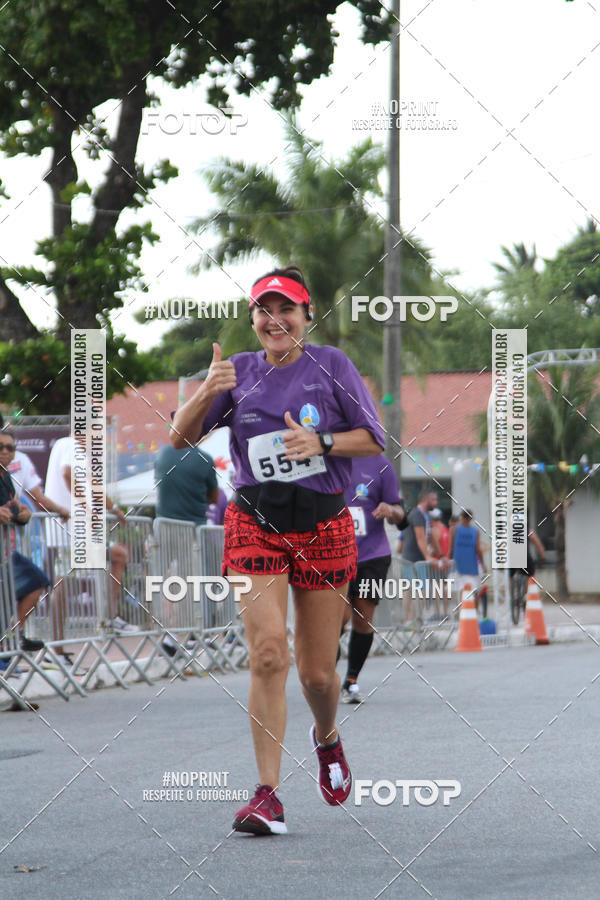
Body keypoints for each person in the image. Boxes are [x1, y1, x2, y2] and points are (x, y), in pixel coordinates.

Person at [172, 265, 385, 835]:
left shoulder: (332, 365)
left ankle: (328, 738)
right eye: (264, 311)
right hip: (255, 521)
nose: (275, 319)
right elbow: (179, 438)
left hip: (323, 526)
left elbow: (373, 440)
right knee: (268, 653)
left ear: (306, 317)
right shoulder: (236, 372)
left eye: (286, 309)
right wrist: (205, 392)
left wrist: (321, 441)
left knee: (317, 675)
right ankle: (266, 794)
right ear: (252, 321)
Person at [44, 435, 135, 662]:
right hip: (67, 534)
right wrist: (88, 509)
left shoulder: (81, 453)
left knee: (118, 556)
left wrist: (114, 509)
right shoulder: (70, 445)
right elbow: (67, 474)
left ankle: (111, 617)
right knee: (62, 586)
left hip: (79, 535)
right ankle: (55, 648)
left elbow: (93, 484)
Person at [340, 455, 405, 704]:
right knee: (338, 617)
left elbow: (400, 512)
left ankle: (351, 681)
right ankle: (322, 673)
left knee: (362, 619)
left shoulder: (381, 465)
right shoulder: (327, 456)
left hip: (373, 556)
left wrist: (391, 511)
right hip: (335, 554)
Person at [154, 443, 219, 656]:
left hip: (163, 527)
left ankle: (162, 633)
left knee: (158, 580)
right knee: (189, 584)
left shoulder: (163, 453)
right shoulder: (204, 459)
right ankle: (186, 634)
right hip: (192, 529)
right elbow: (215, 497)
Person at [0, 429, 51, 652]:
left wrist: (24, 514)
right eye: (0, 446)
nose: (5, 451)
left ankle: (13, 637)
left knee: (37, 581)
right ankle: (9, 642)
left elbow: (13, 509)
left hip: (7, 550)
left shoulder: (7, 478)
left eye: (10, 448)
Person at [449, 509, 487, 593]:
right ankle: (475, 606)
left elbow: (451, 549)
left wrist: (449, 562)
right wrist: (483, 564)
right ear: (471, 518)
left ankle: (463, 606)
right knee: (474, 590)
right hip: (472, 565)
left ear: (461, 517)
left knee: (461, 590)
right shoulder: (475, 531)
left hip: (458, 565)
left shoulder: (454, 530)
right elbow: (478, 550)